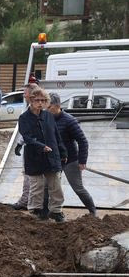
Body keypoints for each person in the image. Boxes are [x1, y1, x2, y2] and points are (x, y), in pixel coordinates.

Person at [18, 87, 67, 222]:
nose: (40, 103)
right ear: (31, 100)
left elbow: (56, 136)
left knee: (55, 185)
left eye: (43, 100)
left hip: (52, 156)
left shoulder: (48, 116)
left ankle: (56, 211)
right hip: (34, 157)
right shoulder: (24, 118)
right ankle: (35, 211)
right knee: (36, 186)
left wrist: (63, 151)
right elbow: (27, 137)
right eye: (37, 100)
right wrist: (41, 146)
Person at [48, 93, 96, 216]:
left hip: (71, 160)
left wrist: (82, 161)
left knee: (78, 188)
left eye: (49, 106)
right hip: (54, 160)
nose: (46, 109)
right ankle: (51, 212)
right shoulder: (47, 119)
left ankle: (93, 211)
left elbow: (82, 141)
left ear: (57, 105)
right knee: (50, 187)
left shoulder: (69, 121)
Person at [11, 83, 40, 211]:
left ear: (32, 94)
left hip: (39, 148)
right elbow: (26, 130)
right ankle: (26, 200)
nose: (23, 95)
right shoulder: (29, 109)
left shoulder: (39, 109)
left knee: (36, 176)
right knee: (27, 173)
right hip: (31, 147)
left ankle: (36, 203)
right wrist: (20, 143)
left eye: (25, 92)